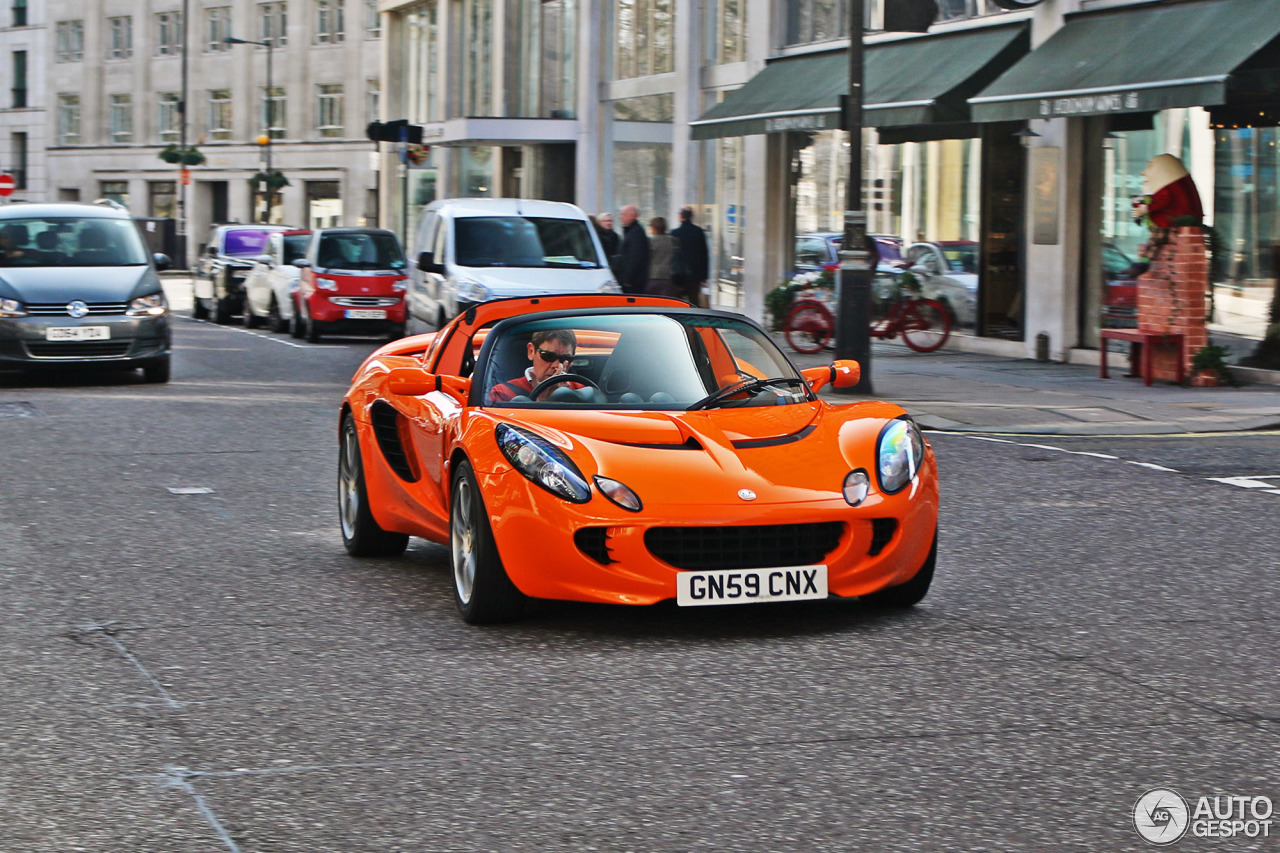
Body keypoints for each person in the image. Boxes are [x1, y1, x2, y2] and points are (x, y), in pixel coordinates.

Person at [487, 329, 579, 404]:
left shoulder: (581, 390)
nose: (556, 365)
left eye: (565, 358)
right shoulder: (503, 393)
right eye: (548, 356)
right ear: (531, 351)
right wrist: (542, 401)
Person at [671, 206, 710, 306]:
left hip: (678, 275)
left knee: (677, 302)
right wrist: (704, 276)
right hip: (695, 274)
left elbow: (672, 256)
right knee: (694, 301)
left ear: (681, 216)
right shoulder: (698, 232)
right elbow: (704, 254)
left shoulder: (675, 233)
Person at [614, 204, 650, 294]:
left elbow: (635, 258)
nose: (620, 217)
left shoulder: (636, 233)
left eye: (623, 214)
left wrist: (628, 280)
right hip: (630, 281)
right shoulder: (630, 231)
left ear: (632, 216)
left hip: (632, 284)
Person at [646, 216, 681, 297]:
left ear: (653, 228)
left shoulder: (650, 242)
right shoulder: (673, 241)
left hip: (652, 277)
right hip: (668, 277)